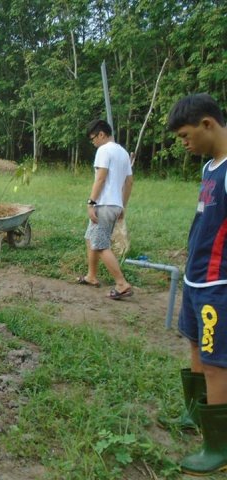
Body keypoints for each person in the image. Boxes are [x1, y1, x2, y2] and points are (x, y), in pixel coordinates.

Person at [167, 93, 227, 476]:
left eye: (186, 135)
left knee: (216, 361)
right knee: (194, 342)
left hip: (218, 283)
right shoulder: (210, 167)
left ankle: (218, 445)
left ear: (208, 124)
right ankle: (196, 412)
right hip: (195, 277)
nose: (184, 143)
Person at [77, 119, 133, 299]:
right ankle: (91, 276)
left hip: (103, 205)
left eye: (93, 138)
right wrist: (122, 205)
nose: (93, 142)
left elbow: (100, 178)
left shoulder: (104, 150)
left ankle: (122, 284)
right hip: (114, 204)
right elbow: (129, 182)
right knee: (89, 237)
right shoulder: (123, 153)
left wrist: (91, 202)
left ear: (101, 134)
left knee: (100, 245)